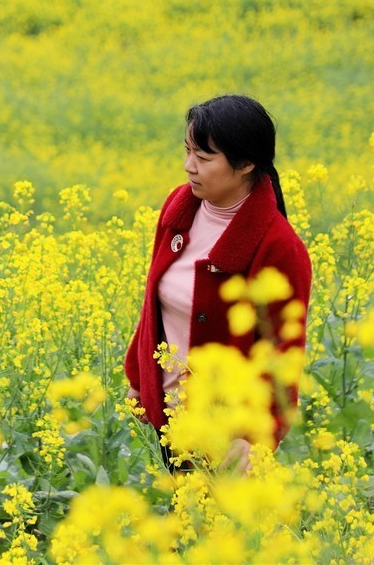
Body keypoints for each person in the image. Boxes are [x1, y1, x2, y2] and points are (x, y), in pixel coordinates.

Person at [124, 94, 312, 471]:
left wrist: (258, 438)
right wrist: (140, 376)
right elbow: (155, 304)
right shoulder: (179, 208)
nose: (188, 167)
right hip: (171, 423)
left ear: (245, 164)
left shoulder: (278, 248)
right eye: (187, 151)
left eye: (204, 158)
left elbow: (282, 353)